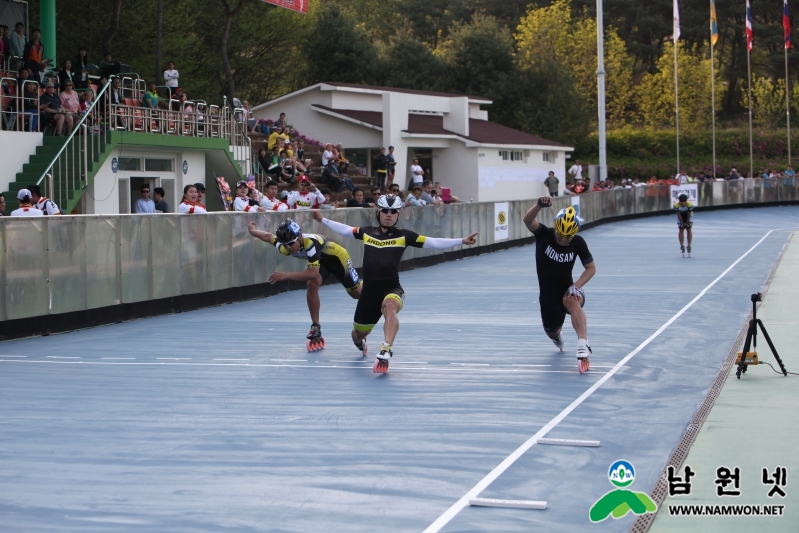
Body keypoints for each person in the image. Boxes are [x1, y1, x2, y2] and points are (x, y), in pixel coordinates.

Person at [312, 196, 478, 373]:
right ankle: (361, 342)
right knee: (358, 334)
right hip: (368, 293)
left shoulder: (405, 236)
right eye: (385, 211)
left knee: (389, 306)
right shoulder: (367, 232)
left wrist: (461, 241)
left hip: (392, 288)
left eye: (393, 212)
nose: (389, 215)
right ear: (378, 212)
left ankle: (386, 348)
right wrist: (322, 219)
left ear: (398, 214)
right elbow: (345, 230)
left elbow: (433, 242)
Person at [248, 218, 362, 349]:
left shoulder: (310, 244)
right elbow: (268, 237)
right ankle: (316, 326)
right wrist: (252, 231)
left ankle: (370, 288)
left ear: (300, 237)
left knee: (356, 294)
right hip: (322, 261)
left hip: (338, 258)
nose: (289, 248)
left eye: (291, 243)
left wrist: (286, 275)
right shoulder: (285, 247)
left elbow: (313, 272)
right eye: (285, 244)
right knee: (312, 285)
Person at [523, 198, 596, 373]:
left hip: (567, 289)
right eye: (560, 235)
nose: (563, 239)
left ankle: (583, 344)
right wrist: (539, 205)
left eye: (567, 237)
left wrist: (576, 286)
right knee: (552, 332)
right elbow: (527, 220)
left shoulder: (578, 242)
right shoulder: (544, 234)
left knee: (573, 301)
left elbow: (591, 268)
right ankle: (558, 338)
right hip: (548, 296)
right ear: (555, 228)